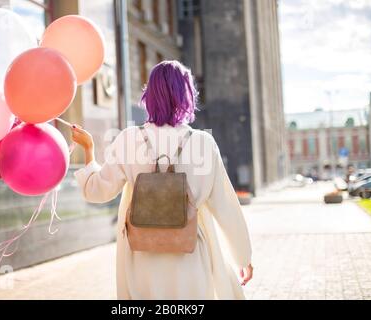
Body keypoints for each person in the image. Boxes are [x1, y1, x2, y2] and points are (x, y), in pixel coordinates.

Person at [71, 60, 253, 300]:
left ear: (149, 95)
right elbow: (226, 206)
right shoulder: (203, 143)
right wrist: (243, 257)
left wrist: (89, 150)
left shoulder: (128, 139)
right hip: (190, 257)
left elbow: (97, 191)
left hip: (141, 259)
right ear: (186, 95)